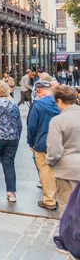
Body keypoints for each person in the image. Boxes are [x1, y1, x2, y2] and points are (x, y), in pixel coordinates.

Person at [27, 80, 60, 211]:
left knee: (46, 172)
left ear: (39, 91)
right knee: (59, 172)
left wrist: (31, 142)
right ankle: (59, 197)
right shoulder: (60, 103)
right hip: (59, 142)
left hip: (42, 142)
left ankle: (50, 200)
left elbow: (31, 126)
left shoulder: (38, 105)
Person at [47, 85, 80, 216]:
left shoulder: (58, 120)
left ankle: (69, 235)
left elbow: (54, 151)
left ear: (59, 101)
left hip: (67, 171)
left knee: (67, 207)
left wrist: (50, 162)